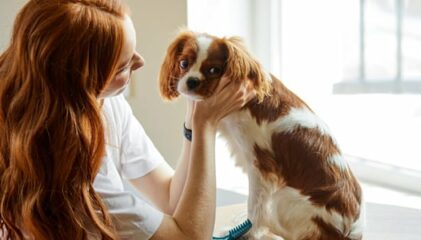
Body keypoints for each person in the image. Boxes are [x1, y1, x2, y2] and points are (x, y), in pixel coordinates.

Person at [0, 0, 253, 239]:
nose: (140, 62)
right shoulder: (71, 175)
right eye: (122, 66)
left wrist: (193, 119)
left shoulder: (106, 103)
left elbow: (168, 196)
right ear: (84, 81)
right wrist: (205, 126)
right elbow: (189, 236)